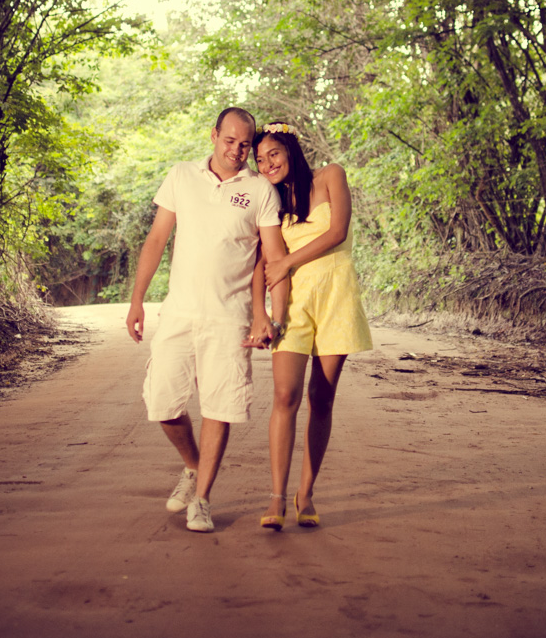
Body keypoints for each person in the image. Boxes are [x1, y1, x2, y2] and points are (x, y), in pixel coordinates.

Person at [126, 107, 287, 533]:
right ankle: (193, 466)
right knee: (162, 402)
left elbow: (272, 258)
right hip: (178, 312)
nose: (237, 151)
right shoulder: (181, 175)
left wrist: (267, 315)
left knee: (220, 407)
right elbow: (157, 238)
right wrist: (137, 299)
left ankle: (202, 500)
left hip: (228, 317)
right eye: (229, 141)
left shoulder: (259, 191)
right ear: (213, 135)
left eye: (245, 144)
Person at [252, 121, 371, 530]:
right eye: (260, 159)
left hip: (337, 298)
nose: (267, 164)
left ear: (290, 150)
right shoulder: (270, 204)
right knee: (285, 395)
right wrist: (264, 313)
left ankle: (307, 494)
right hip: (295, 304)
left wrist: (288, 260)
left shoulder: (330, 175)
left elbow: (337, 231)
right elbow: (262, 265)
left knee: (322, 397)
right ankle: (277, 498)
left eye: (273, 155)